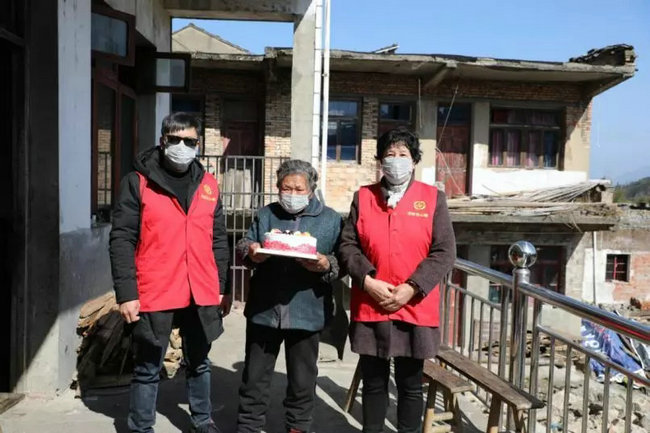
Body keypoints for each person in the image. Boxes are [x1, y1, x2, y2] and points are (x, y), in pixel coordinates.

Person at [110, 112, 231, 433]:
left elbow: (219, 239)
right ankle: (141, 427)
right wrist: (127, 293)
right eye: (175, 139)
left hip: (200, 288)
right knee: (148, 366)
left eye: (189, 141)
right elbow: (122, 238)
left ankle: (202, 420)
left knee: (200, 361)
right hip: (155, 287)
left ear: (198, 144)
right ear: (163, 141)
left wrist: (221, 286)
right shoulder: (138, 182)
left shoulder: (208, 184)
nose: (182, 146)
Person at [338, 126, 456, 433]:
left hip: (414, 307)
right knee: (374, 382)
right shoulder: (363, 197)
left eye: (403, 154)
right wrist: (367, 280)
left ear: (414, 161)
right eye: (389, 154)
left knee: (410, 384)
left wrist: (412, 288)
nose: (396, 160)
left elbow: (444, 251)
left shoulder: (433, 199)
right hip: (371, 303)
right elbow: (347, 245)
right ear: (380, 160)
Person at [235, 159, 342, 433]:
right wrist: (252, 252)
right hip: (264, 310)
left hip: (307, 311)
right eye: (286, 188)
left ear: (311, 189)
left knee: (302, 382)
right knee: (254, 379)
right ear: (277, 187)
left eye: (298, 189)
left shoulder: (330, 219)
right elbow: (244, 243)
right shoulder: (266, 213)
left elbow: (341, 261)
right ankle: (248, 427)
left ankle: (297, 428)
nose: (291, 194)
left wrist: (325, 264)